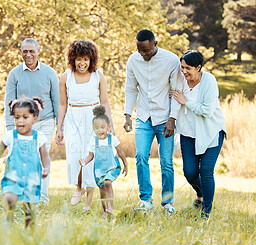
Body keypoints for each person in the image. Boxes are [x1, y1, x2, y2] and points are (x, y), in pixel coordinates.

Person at [123, 29, 184, 214]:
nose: (142, 54)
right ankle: (146, 200)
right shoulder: (133, 60)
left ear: (155, 44)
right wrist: (127, 114)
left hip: (165, 118)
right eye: (139, 50)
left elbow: (177, 91)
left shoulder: (171, 60)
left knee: (166, 161)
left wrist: (172, 119)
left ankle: (167, 203)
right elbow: (131, 89)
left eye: (146, 51)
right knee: (141, 156)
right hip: (143, 116)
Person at [56, 39, 115, 206]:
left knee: (91, 155)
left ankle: (89, 200)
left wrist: (110, 125)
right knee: (75, 155)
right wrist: (59, 128)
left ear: (92, 60)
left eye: (86, 59)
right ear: (73, 59)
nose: (82, 63)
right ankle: (78, 187)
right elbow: (62, 104)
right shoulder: (66, 77)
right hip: (73, 117)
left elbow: (105, 102)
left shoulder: (98, 75)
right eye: (79, 59)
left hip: (94, 117)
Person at [4, 38, 59, 204]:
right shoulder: (14, 74)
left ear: (38, 52)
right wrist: (9, 127)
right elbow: (9, 102)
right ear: (21, 52)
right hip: (22, 124)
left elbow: (57, 101)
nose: (28, 54)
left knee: (42, 156)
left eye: (31, 51)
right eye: (25, 51)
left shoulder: (50, 73)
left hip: (45, 121)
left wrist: (60, 127)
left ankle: (42, 197)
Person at [173, 50, 226, 219]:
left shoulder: (209, 81)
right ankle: (201, 194)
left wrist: (186, 102)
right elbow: (174, 98)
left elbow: (208, 111)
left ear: (198, 67)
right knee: (189, 172)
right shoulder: (181, 80)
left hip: (211, 132)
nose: (184, 71)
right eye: (182, 67)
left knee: (206, 171)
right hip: (188, 133)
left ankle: (206, 212)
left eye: (188, 68)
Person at [0, 97, 50, 227]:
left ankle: (29, 232)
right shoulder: (10, 136)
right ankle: (8, 223)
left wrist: (46, 168)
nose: (20, 121)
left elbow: (45, 156)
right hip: (12, 178)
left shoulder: (39, 137)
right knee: (10, 198)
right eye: (17, 117)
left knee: (29, 210)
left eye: (25, 117)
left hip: (31, 180)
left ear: (35, 118)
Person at [80, 105, 128, 215]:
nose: (100, 130)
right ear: (93, 128)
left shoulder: (112, 139)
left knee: (107, 183)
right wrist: (84, 162)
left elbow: (121, 153)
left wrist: (125, 165)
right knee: (102, 191)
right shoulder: (93, 141)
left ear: (108, 126)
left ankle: (110, 207)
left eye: (102, 127)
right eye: (97, 128)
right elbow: (90, 156)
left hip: (112, 168)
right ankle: (105, 211)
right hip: (99, 171)